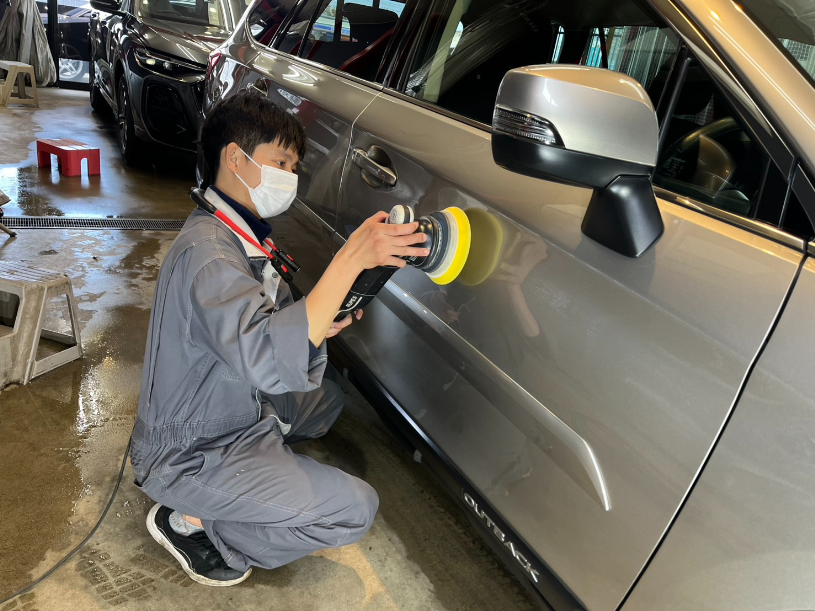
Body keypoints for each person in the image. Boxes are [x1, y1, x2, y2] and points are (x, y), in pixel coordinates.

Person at [130, 91, 429, 586]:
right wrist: (351, 257)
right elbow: (268, 357)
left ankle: (252, 469)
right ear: (235, 158)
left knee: (326, 401)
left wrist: (318, 325)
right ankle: (195, 521)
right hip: (191, 449)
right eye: (281, 162)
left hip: (231, 404)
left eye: (294, 166)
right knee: (355, 509)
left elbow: (267, 322)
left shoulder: (239, 235)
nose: (290, 176)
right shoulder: (210, 255)